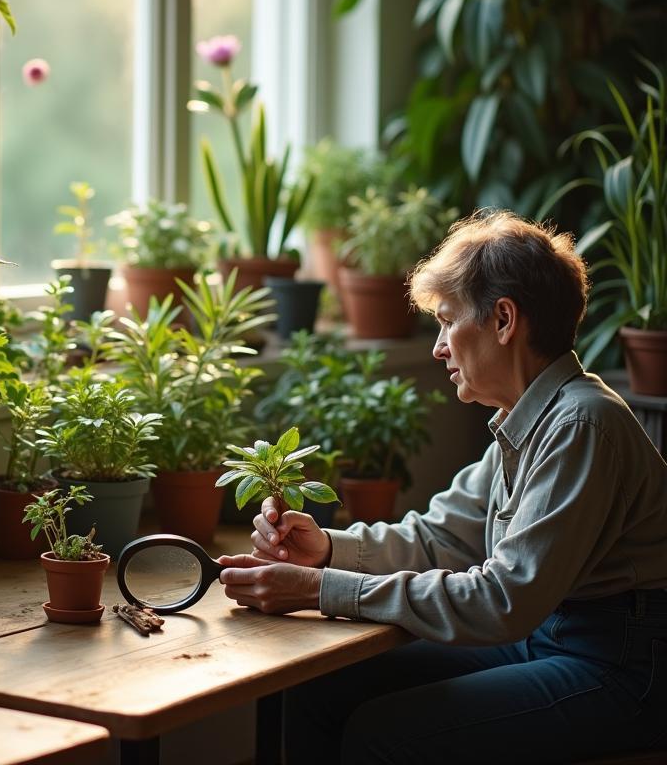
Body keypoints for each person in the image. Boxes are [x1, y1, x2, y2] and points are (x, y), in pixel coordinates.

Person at [217, 210, 667, 764]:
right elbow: (440, 537)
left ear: (503, 319)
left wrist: (319, 589)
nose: (438, 348)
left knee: (388, 732)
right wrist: (327, 551)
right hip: (551, 636)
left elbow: (503, 600)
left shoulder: (581, 425)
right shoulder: (528, 417)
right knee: (321, 687)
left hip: (621, 668)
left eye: (447, 321)